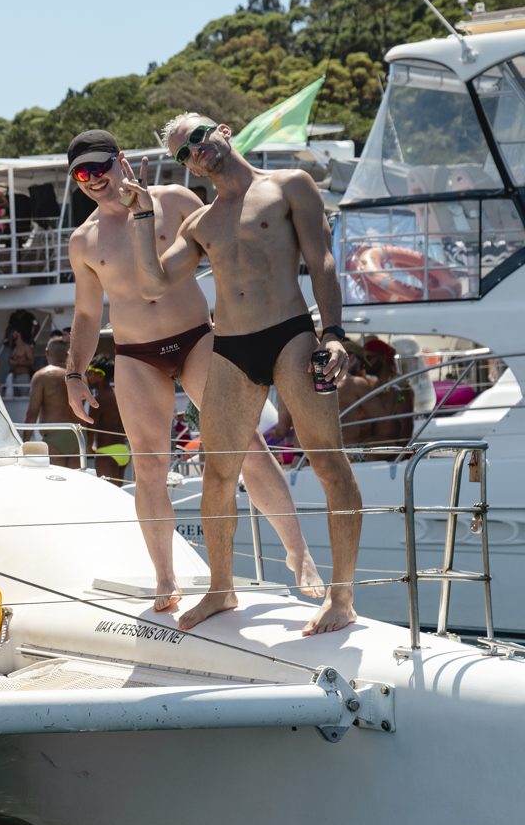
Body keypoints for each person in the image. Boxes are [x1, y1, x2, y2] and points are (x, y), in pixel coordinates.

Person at [63, 128, 323, 612]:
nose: (93, 179)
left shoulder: (176, 199)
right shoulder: (84, 241)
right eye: (82, 174)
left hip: (197, 337)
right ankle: (166, 579)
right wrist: (73, 375)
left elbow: (227, 245)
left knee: (245, 443)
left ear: (121, 159)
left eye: (99, 167)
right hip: (135, 353)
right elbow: (84, 316)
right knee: (149, 465)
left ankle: (299, 552)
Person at [127, 113, 359, 634]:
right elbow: (154, 283)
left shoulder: (288, 185)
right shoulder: (201, 222)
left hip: (292, 336)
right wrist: (142, 215)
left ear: (224, 131)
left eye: (197, 138)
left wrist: (335, 334)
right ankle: (221, 589)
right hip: (231, 347)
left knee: (328, 462)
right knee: (218, 475)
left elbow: (321, 261)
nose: (194, 152)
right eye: (182, 154)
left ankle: (341, 597)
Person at [23, 335, 81, 468]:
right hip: (78, 436)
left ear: (47, 352)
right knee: (75, 484)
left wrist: (24, 443)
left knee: (56, 482)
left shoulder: (42, 376)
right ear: (67, 354)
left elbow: (32, 413)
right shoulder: (80, 377)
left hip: (54, 436)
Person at [83, 362, 128, 482]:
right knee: (119, 494)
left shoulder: (98, 400)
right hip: (123, 449)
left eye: (90, 373)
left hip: (106, 453)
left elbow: (91, 428)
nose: (88, 377)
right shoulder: (119, 394)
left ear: (99, 376)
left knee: (109, 497)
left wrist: (88, 447)